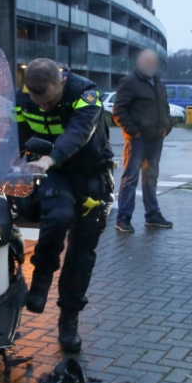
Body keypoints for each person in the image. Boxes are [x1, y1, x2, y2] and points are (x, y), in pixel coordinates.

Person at [17, 58, 115, 353]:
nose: (44, 107)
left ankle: (68, 320)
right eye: (38, 102)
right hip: (55, 173)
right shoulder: (21, 99)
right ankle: (42, 277)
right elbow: (16, 135)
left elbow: (79, 133)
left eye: (49, 101)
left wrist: (50, 157)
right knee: (58, 217)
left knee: (82, 253)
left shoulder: (85, 93)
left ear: (61, 81)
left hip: (90, 174)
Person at [112, 49, 173, 233]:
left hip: (156, 138)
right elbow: (118, 110)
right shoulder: (130, 82)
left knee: (151, 178)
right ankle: (123, 218)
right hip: (137, 140)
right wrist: (133, 132)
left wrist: (166, 126)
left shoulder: (159, 83)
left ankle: (152, 215)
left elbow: (165, 107)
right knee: (131, 178)